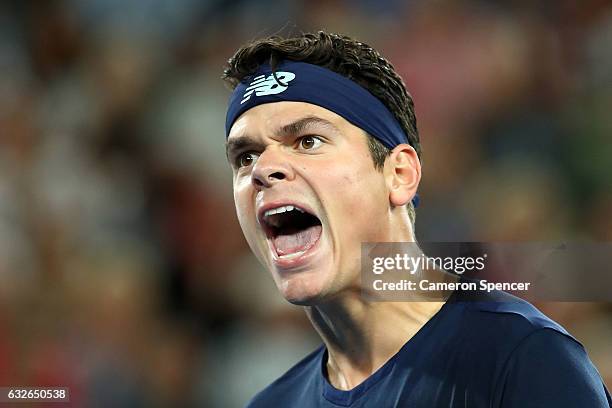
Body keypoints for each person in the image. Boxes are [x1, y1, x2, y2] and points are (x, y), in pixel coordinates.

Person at [222, 31, 611, 407]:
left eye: (307, 141)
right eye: (246, 156)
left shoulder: (522, 361)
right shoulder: (272, 403)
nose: (264, 168)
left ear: (399, 174)